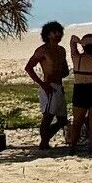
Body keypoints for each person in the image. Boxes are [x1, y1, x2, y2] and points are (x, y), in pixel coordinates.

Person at [27, 22, 71, 150]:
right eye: (54, 32)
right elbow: (29, 67)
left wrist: (60, 72)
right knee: (48, 116)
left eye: (59, 32)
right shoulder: (42, 50)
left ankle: (45, 138)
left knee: (62, 120)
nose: (58, 35)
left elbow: (65, 70)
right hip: (49, 86)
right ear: (48, 35)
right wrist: (42, 84)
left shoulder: (61, 50)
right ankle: (44, 142)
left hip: (59, 86)